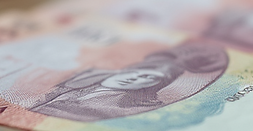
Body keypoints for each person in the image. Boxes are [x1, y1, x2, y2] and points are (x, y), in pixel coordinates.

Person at [29, 41, 228, 122]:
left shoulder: (112, 109)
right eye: (141, 71)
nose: (135, 76)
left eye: (148, 78)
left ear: (152, 88)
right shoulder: (79, 82)